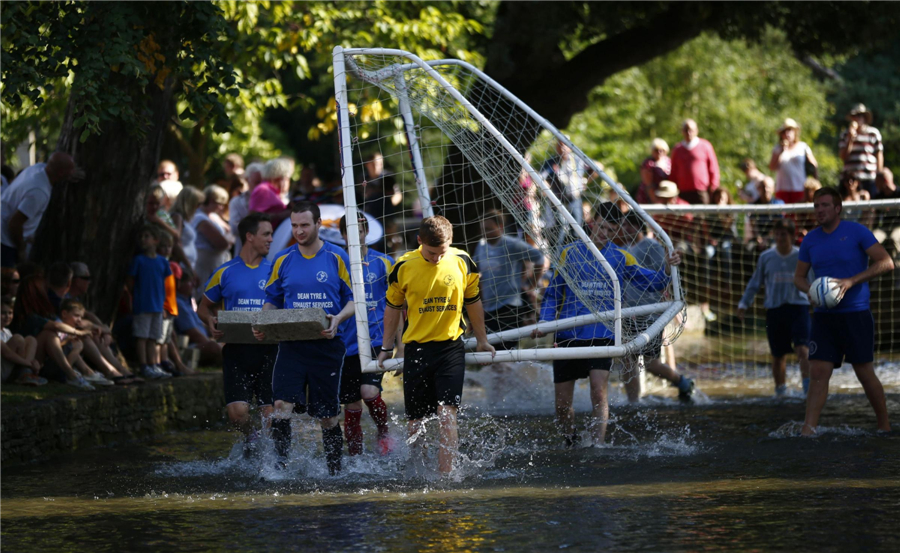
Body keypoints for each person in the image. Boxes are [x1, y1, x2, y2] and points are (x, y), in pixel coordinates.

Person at [534, 203, 681, 447]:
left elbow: (652, 283)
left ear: (617, 231)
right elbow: (553, 294)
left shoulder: (621, 256)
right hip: (569, 335)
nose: (604, 233)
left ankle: (596, 446)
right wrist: (545, 322)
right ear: (593, 222)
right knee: (561, 405)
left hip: (603, 335)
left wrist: (667, 266)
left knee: (599, 392)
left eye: (611, 230)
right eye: (601, 227)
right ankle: (570, 442)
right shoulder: (568, 253)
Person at [377, 215, 496, 475]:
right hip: (417, 349)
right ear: (419, 241)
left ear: (450, 242)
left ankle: (446, 477)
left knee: (446, 413)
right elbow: (393, 307)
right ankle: (417, 474)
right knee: (416, 421)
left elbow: (473, 302)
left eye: (441, 253)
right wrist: (387, 347)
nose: (436, 259)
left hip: (450, 348)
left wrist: (482, 340)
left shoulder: (463, 261)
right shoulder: (403, 266)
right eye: (431, 253)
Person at [255, 202, 357, 475]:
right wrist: (263, 321)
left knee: (328, 417)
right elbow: (272, 300)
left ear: (319, 224)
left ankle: (335, 473)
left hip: (327, 346)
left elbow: (353, 300)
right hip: (292, 346)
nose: (299, 231)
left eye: (304, 225)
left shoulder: (337, 257)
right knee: (280, 406)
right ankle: (279, 469)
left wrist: (338, 319)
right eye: (295, 225)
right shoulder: (283, 259)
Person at [793, 187, 893, 436]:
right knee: (818, 372)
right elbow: (798, 277)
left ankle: (885, 426)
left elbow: (886, 262)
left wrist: (851, 281)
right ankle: (809, 430)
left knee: (864, 372)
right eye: (816, 206)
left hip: (856, 314)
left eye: (824, 205)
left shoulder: (857, 231)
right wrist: (810, 291)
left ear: (837, 208)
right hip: (824, 318)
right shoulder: (810, 239)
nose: (819, 210)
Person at [198, 212, 277, 456]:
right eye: (266, 234)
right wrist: (209, 321)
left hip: (269, 350)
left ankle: (272, 459)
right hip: (235, 350)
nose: (271, 239)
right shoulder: (226, 271)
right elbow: (203, 307)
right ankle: (251, 439)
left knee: (271, 417)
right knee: (237, 414)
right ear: (249, 237)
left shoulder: (275, 271)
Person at [618, 211, 694, 402]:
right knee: (627, 358)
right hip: (629, 311)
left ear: (638, 226)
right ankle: (633, 401)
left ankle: (682, 382)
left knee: (651, 363)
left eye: (629, 225)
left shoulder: (651, 246)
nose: (625, 229)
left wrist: (669, 307)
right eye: (623, 225)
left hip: (649, 312)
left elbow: (666, 274)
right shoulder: (624, 248)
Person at [337, 214, 397, 456]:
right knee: (351, 403)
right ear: (342, 235)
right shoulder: (338, 262)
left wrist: (397, 344)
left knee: (369, 392)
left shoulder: (384, 262)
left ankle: (384, 431)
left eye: (359, 231)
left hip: (375, 339)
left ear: (366, 232)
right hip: (346, 343)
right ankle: (355, 455)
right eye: (350, 232)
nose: (355, 236)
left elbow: (397, 304)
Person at [737, 218, 811, 396]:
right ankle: (781, 391)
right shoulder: (766, 257)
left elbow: (812, 280)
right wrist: (743, 304)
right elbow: (755, 282)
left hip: (799, 307)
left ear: (792, 236)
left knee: (803, 349)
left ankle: (808, 389)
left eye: (783, 234)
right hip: (775, 310)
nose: (780, 238)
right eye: (777, 234)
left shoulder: (801, 255)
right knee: (778, 355)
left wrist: (816, 297)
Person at [473, 209, 545, 346]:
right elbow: (479, 275)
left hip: (510, 305)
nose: (485, 233)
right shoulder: (481, 247)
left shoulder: (512, 244)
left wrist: (531, 285)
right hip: (489, 307)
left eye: (488, 229)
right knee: (493, 354)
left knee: (505, 350)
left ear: (500, 227)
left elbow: (540, 259)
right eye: (483, 229)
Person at [1, 152, 78, 266]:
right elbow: (14, 223)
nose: (74, 173)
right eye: (71, 170)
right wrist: (21, 247)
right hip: (6, 242)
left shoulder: (37, 168)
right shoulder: (39, 192)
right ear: (61, 173)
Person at [125, 224, 173, 380]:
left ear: (155, 240)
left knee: (153, 337)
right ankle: (144, 365)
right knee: (142, 336)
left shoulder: (162, 262)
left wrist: (164, 305)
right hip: (142, 304)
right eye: (141, 237)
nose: (143, 240)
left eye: (147, 236)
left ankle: (154, 365)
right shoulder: (138, 260)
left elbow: (165, 284)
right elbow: (130, 281)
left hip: (157, 306)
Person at [192, 185, 234, 298]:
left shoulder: (212, 216)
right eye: (219, 204)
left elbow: (230, 232)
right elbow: (221, 243)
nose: (221, 208)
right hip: (205, 265)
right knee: (205, 296)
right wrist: (228, 240)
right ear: (210, 201)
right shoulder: (200, 218)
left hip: (215, 263)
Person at [669, 119, 719, 204]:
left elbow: (713, 169)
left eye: (691, 130)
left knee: (701, 216)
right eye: (686, 130)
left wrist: (713, 188)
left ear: (696, 131)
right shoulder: (677, 149)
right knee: (684, 217)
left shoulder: (705, 146)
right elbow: (673, 171)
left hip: (701, 192)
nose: (689, 132)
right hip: (682, 192)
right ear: (682, 131)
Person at [838, 104, 883, 199]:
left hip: (869, 178)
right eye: (855, 116)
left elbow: (879, 155)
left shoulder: (873, 133)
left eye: (860, 116)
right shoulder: (845, 134)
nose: (857, 118)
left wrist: (879, 175)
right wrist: (850, 139)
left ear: (865, 118)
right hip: (849, 180)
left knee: (870, 208)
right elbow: (843, 156)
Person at [1, 296, 46, 385]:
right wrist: (29, 364)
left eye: (10, 313)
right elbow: (7, 354)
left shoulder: (7, 331)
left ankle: (26, 373)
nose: (7, 316)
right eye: (3, 313)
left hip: (11, 368)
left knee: (31, 339)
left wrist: (33, 361)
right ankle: (26, 372)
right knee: (18, 339)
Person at [541, 140, 586, 224]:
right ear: (556, 147)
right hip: (558, 199)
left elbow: (598, 167)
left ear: (570, 147)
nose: (563, 148)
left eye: (565, 145)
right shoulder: (551, 162)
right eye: (560, 145)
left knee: (577, 225)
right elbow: (541, 177)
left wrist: (585, 180)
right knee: (561, 224)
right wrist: (546, 186)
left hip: (574, 198)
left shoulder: (577, 160)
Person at [230, 161, 265, 256]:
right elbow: (234, 229)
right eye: (257, 182)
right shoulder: (236, 202)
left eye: (263, 182)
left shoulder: (273, 201)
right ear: (246, 179)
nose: (260, 187)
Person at [169, 186, 205, 274]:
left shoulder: (185, 218)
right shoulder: (177, 217)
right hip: (182, 266)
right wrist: (189, 267)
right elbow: (176, 243)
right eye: (197, 204)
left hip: (187, 265)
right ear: (189, 203)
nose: (199, 207)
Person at [249, 158, 293, 228]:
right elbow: (254, 217)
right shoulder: (263, 190)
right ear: (279, 177)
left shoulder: (273, 191)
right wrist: (281, 215)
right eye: (286, 178)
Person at [636, 138, 672, 204]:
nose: (659, 152)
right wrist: (655, 200)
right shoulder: (648, 163)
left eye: (662, 150)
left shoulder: (669, 162)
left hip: (666, 194)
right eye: (656, 150)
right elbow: (648, 184)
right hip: (650, 195)